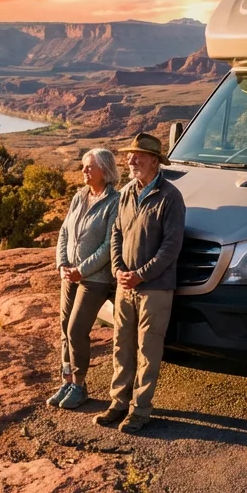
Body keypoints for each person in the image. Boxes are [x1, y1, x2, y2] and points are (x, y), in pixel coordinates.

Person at [93, 132, 185, 434]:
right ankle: (118, 404)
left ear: (155, 161)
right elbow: (116, 233)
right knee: (121, 347)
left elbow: (171, 247)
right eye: (130, 156)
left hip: (154, 289)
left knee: (148, 351)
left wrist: (141, 274)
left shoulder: (171, 197)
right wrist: (119, 269)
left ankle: (140, 410)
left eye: (138, 156)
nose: (130, 161)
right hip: (125, 286)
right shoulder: (128, 192)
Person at [48, 148, 121, 410]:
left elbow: (108, 246)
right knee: (64, 328)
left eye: (89, 167)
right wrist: (62, 264)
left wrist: (82, 269)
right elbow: (64, 232)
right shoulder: (79, 196)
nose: (84, 171)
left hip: (95, 278)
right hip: (70, 274)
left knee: (76, 329)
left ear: (105, 170)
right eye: (83, 166)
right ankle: (67, 380)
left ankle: (79, 386)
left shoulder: (115, 202)